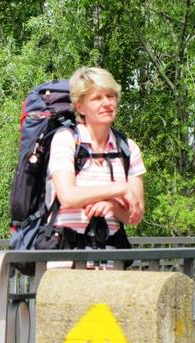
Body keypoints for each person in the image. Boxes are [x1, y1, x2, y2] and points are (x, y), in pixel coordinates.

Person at [45, 67, 145, 264]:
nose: (107, 103)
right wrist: (120, 188)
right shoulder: (66, 140)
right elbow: (68, 197)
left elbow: (135, 215)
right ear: (80, 107)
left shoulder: (128, 148)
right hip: (66, 259)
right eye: (97, 98)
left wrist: (113, 206)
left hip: (111, 259)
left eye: (110, 96)